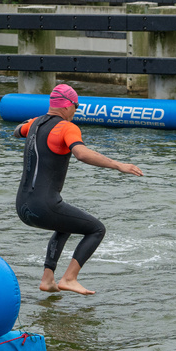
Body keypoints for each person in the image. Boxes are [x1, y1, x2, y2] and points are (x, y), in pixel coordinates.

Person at [13, 84, 143, 295]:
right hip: (44, 206)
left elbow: (17, 131)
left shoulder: (35, 123)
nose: (76, 110)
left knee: (66, 224)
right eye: (76, 106)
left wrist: (30, 123)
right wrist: (118, 165)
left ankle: (48, 279)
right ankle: (70, 278)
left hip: (23, 207)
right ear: (66, 105)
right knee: (96, 229)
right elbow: (81, 153)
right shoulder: (66, 127)